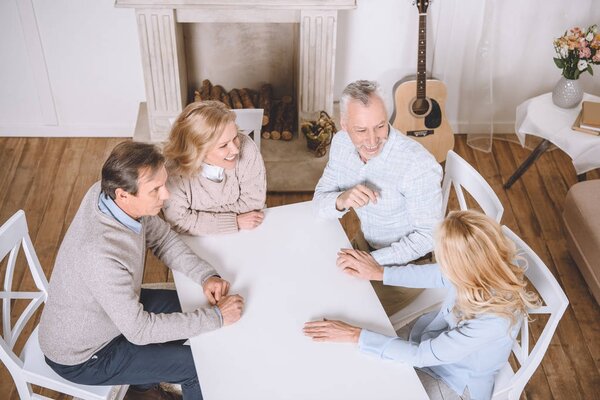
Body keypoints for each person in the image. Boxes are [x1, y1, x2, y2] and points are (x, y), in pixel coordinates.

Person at [39, 141, 245, 400]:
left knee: (192, 305)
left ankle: (142, 388)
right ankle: (146, 384)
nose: (166, 194)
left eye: (164, 183)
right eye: (156, 189)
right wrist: (217, 317)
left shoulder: (111, 195)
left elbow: (162, 240)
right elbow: (139, 331)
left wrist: (206, 276)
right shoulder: (99, 254)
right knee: (197, 366)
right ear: (123, 194)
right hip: (85, 355)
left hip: (112, 315)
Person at [303, 210, 540, 400]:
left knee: (369, 382)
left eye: (444, 260)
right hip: (429, 339)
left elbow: (421, 356)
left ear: (463, 267)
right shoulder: (484, 266)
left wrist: (354, 334)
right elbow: (435, 275)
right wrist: (379, 272)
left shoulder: (493, 321)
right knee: (354, 364)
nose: (440, 263)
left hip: (454, 381)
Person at [313, 80, 443, 316]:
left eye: (381, 126)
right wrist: (342, 199)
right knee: (317, 288)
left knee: (347, 314)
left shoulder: (418, 165)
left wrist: (372, 261)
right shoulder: (341, 143)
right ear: (344, 126)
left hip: (408, 266)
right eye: (361, 130)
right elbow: (319, 204)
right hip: (365, 245)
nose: (372, 141)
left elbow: (428, 237)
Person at [162, 100, 267, 235]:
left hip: (246, 233)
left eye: (235, 137)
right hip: (197, 241)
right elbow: (177, 220)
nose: (235, 150)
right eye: (223, 145)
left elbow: (253, 205)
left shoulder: (247, 148)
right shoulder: (172, 169)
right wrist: (234, 221)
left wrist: (197, 217)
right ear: (197, 150)